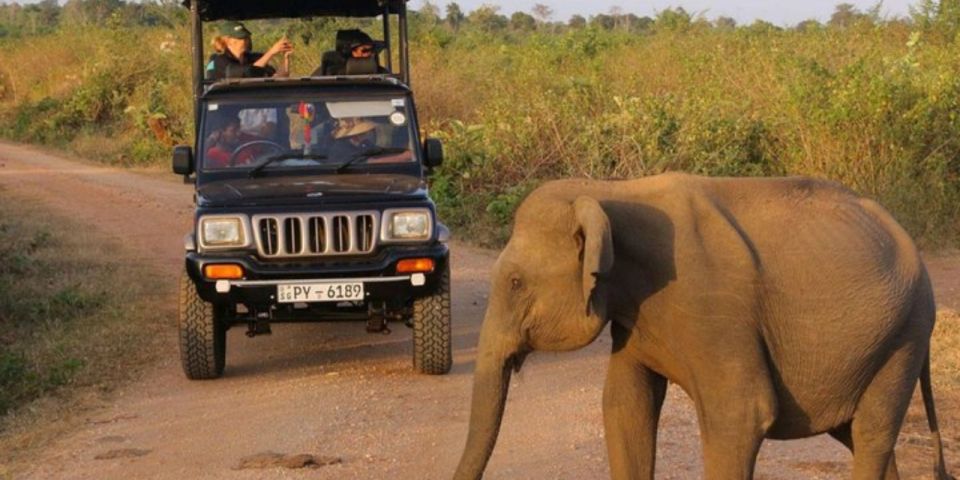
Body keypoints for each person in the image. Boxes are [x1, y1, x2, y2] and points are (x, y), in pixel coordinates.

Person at [205, 21, 293, 81]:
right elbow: (246, 73)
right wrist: (271, 52)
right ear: (228, 40)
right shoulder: (218, 60)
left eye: (247, 37)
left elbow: (278, 79)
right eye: (241, 38)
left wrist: (286, 58)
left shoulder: (252, 58)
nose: (246, 41)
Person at [314, 29, 387, 76]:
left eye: (372, 50)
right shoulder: (329, 73)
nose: (369, 53)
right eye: (364, 50)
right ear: (351, 52)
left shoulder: (381, 74)